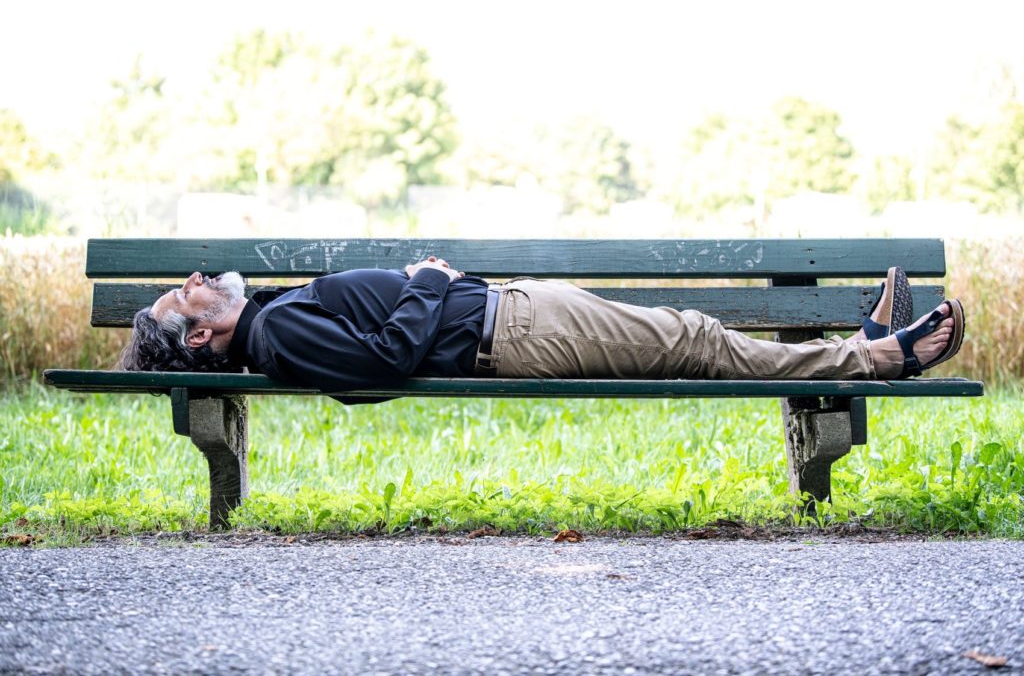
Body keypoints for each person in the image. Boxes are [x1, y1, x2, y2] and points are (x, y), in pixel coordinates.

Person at [118, 257, 964, 397]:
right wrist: (423, 281)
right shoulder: (274, 336)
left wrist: (422, 289)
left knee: (697, 332)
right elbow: (380, 365)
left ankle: (857, 343)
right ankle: (880, 357)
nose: (194, 282)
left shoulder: (270, 320)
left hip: (515, 316)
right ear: (199, 338)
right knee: (702, 343)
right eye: (181, 297)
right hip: (516, 331)